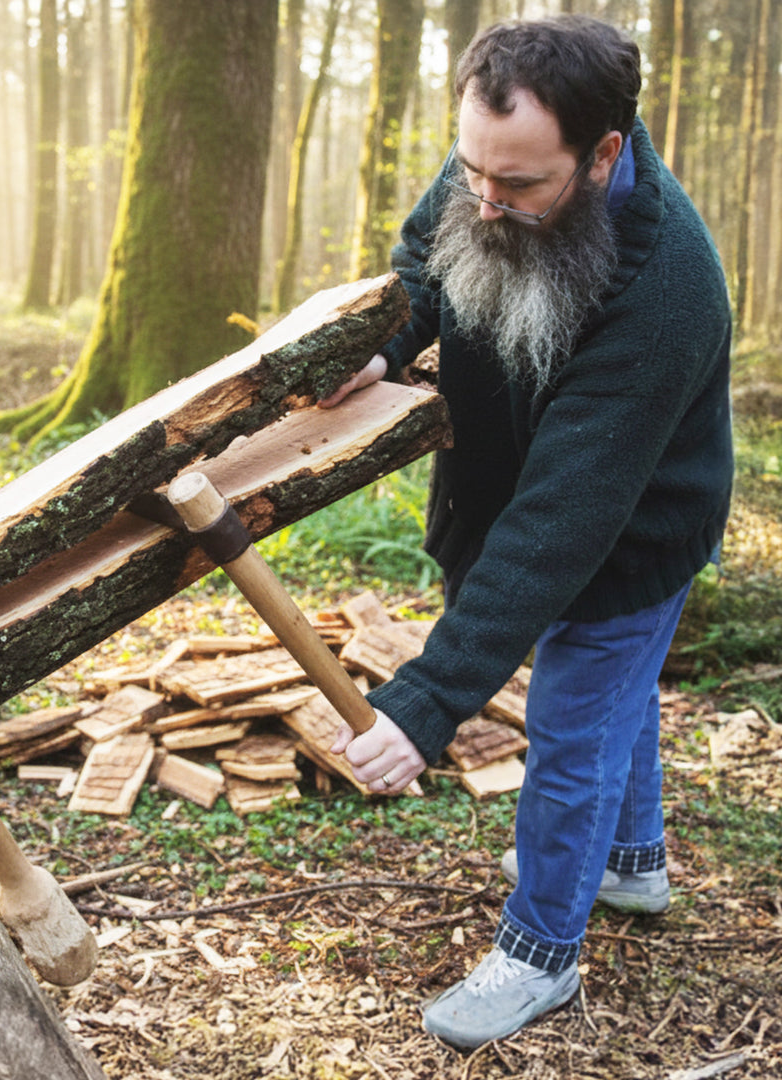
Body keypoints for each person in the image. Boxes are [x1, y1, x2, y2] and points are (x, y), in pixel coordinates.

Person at [323, 15, 733, 1049]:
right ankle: (632, 864)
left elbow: (565, 518)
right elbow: (425, 257)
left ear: (603, 155)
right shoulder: (496, 162)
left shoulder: (667, 287)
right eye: (474, 173)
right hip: (519, 492)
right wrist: (387, 344)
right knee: (612, 704)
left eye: (519, 187)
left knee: (573, 725)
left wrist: (425, 705)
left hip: (629, 532)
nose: (486, 203)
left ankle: (541, 950)